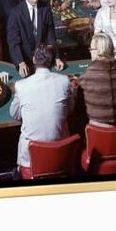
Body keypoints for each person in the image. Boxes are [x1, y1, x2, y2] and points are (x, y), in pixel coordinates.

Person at [9, 44, 73, 173]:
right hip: (61, 155)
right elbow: (69, 110)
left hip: (31, 161)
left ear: (33, 60)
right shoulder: (65, 81)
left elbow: (14, 114)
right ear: (53, 61)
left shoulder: (21, 86)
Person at [7, 0, 62, 77]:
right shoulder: (15, 13)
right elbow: (13, 41)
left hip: (42, 60)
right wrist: (20, 62)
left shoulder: (45, 8)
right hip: (24, 60)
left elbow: (50, 35)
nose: (35, 0)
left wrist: (57, 57)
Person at [79, 33, 116, 126]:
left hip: (97, 128)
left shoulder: (88, 74)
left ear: (99, 50)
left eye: (91, 49)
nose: (90, 51)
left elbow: (80, 101)